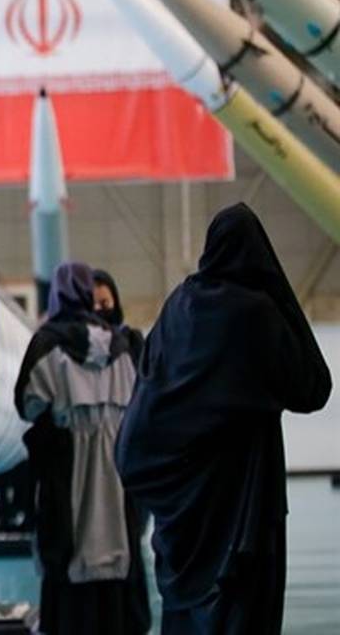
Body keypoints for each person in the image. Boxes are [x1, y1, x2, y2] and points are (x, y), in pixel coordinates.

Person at [116, 203, 332, 634]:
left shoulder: (178, 308)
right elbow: (313, 387)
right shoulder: (257, 313)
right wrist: (280, 296)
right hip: (241, 510)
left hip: (186, 515)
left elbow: (146, 403)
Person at [14, 261, 148, 635]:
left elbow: (28, 405)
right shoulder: (125, 346)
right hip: (118, 487)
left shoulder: (47, 345)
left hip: (67, 484)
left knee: (69, 590)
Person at [91, 269, 144, 364]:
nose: (98, 308)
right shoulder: (74, 348)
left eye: (104, 303)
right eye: (91, 304)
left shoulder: (133, 341)